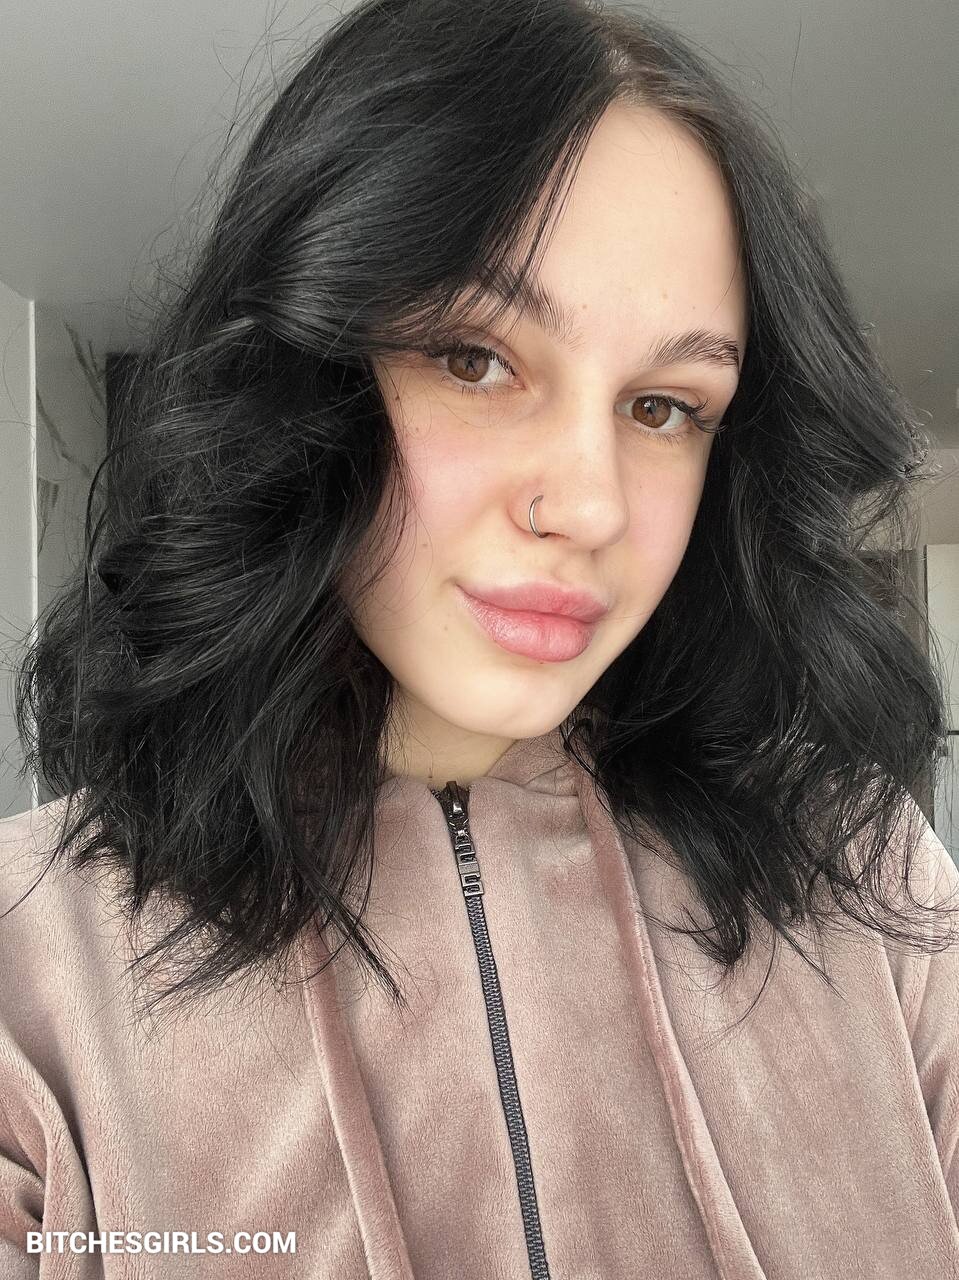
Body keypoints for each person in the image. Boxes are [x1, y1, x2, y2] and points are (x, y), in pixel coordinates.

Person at [1, 0, 957, 1275]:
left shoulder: (868, 878)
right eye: (471, 358)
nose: (591, 504)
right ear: (307, 370)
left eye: (663, 406)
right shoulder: (33, 965)